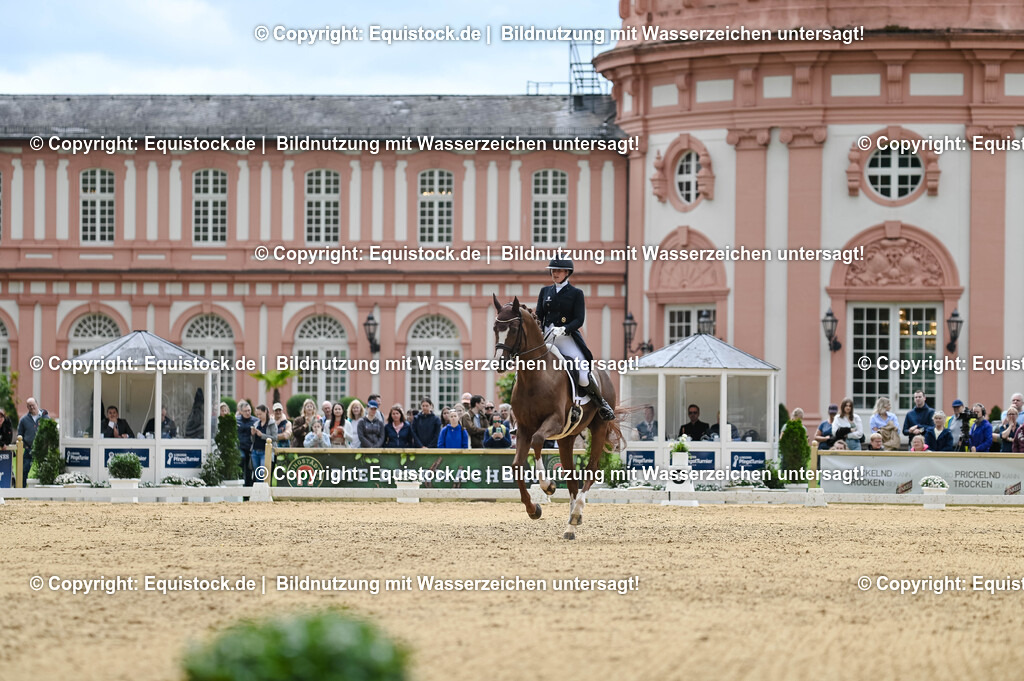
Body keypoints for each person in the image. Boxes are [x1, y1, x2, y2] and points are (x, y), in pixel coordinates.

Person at [536, 257, 614, 420]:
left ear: (567, 272)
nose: (554, 273)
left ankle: (601, 404)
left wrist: (564, 328)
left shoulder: (576, 293)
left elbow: (579, 319)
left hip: (566, 339)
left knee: (584, 376)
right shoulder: (545, 292)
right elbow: (539, 316)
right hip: (548, 338)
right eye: (553, 270)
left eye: (558, 271)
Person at [18, 398, 47, 487]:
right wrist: (25, 446)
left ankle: (44, 488)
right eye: (29, 406)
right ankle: (21, 489)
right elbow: (20, 435)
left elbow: (49, 432)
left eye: (33, 405)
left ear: (37, 404)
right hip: (29, 449)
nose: (31, 407)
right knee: (24, 470)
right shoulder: (23, 420)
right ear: (27, 407)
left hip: (42, 449)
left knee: (44, 470)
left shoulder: (45, 417)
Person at [251, 405, 277, 482]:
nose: (259, 416)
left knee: (263, 472)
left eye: (260, 414)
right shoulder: (256, 424)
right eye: (257, 414)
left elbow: (275, 438)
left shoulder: (272, 424)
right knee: (257, 474)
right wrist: (252, 434)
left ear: (265, 412)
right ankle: (259, 492)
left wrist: (262, 435)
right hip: (255, 451)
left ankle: (264, 492)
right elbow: (252, 440)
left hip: (266, 452)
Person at [235, 402, 259, 484]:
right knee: (241, 459)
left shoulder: (255, 421)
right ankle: (241, 481)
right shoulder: (236, 420)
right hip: (240, 447)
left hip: (251, 448)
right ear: (241, 411)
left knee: (249, 471)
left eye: (249, 410)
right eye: (245, 411)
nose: (248, 413)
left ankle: (248, 490)